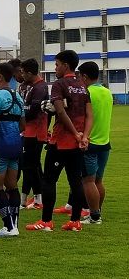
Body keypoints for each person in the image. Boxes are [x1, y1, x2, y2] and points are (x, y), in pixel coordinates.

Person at [26, 50, 91, 233]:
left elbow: (61, 112)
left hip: (61, 141)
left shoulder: (59, 84)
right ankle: (75, 221)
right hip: (77, 142)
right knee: (75, 181)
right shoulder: (82, 85)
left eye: (56, 64)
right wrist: (83, 136)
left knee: (49, 180)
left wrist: (74, 134)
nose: (55, 68)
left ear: (66, 65)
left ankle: (46, 221)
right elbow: (89, 115)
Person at [0, 63, 25, 238]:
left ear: (0, 77)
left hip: (0, 145)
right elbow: (23, 124)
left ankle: (8, 226)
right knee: (12, 185)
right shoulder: (18, 96)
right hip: (16, 144)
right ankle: (14, 225)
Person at [78, 61, 110, 225]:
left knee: (88, 181)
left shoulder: (86, 93)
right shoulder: (107, 92)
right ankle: (96, 212)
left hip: (89, 141)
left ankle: (95, 216)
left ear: (84, 76)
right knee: (98, 181)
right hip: (105, 142)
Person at [19, 58, 48, 209]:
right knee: (30, 166)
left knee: (31, 166)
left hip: (35, 132)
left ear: (30, 73)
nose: (21, 75)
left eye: (23, 73)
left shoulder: (40, 87)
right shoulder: (27, 86)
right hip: (28, 131)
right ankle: (32, 199)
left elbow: (33, 111)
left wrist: (19, 114)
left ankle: (37, 199)